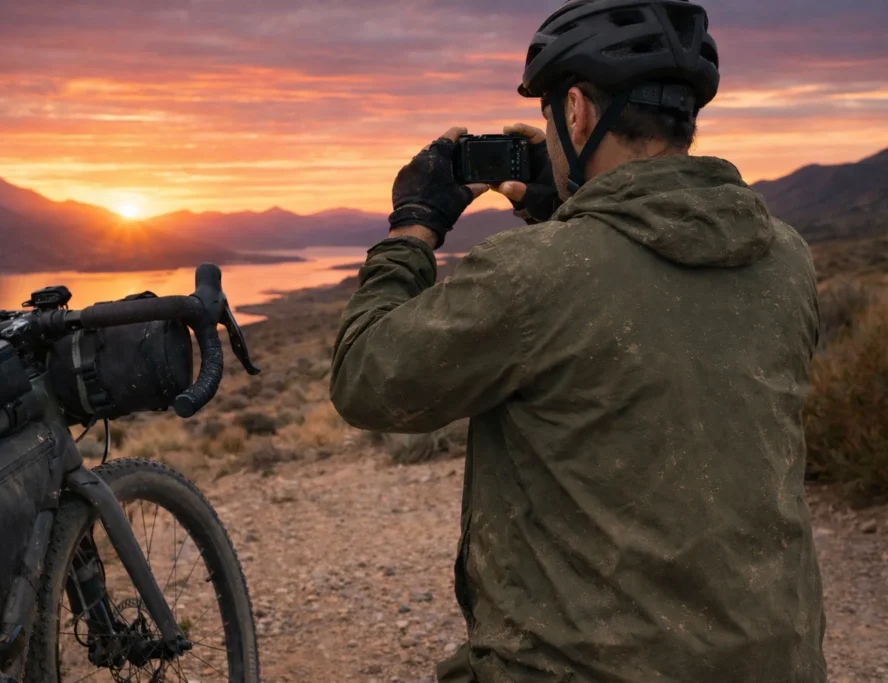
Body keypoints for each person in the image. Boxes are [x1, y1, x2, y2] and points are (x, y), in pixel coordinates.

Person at [328, 0, 828, 681]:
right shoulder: (788, 260)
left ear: (576, 112)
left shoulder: (538, 274)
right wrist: (567, 213)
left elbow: (364, 377)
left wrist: (411, 228)